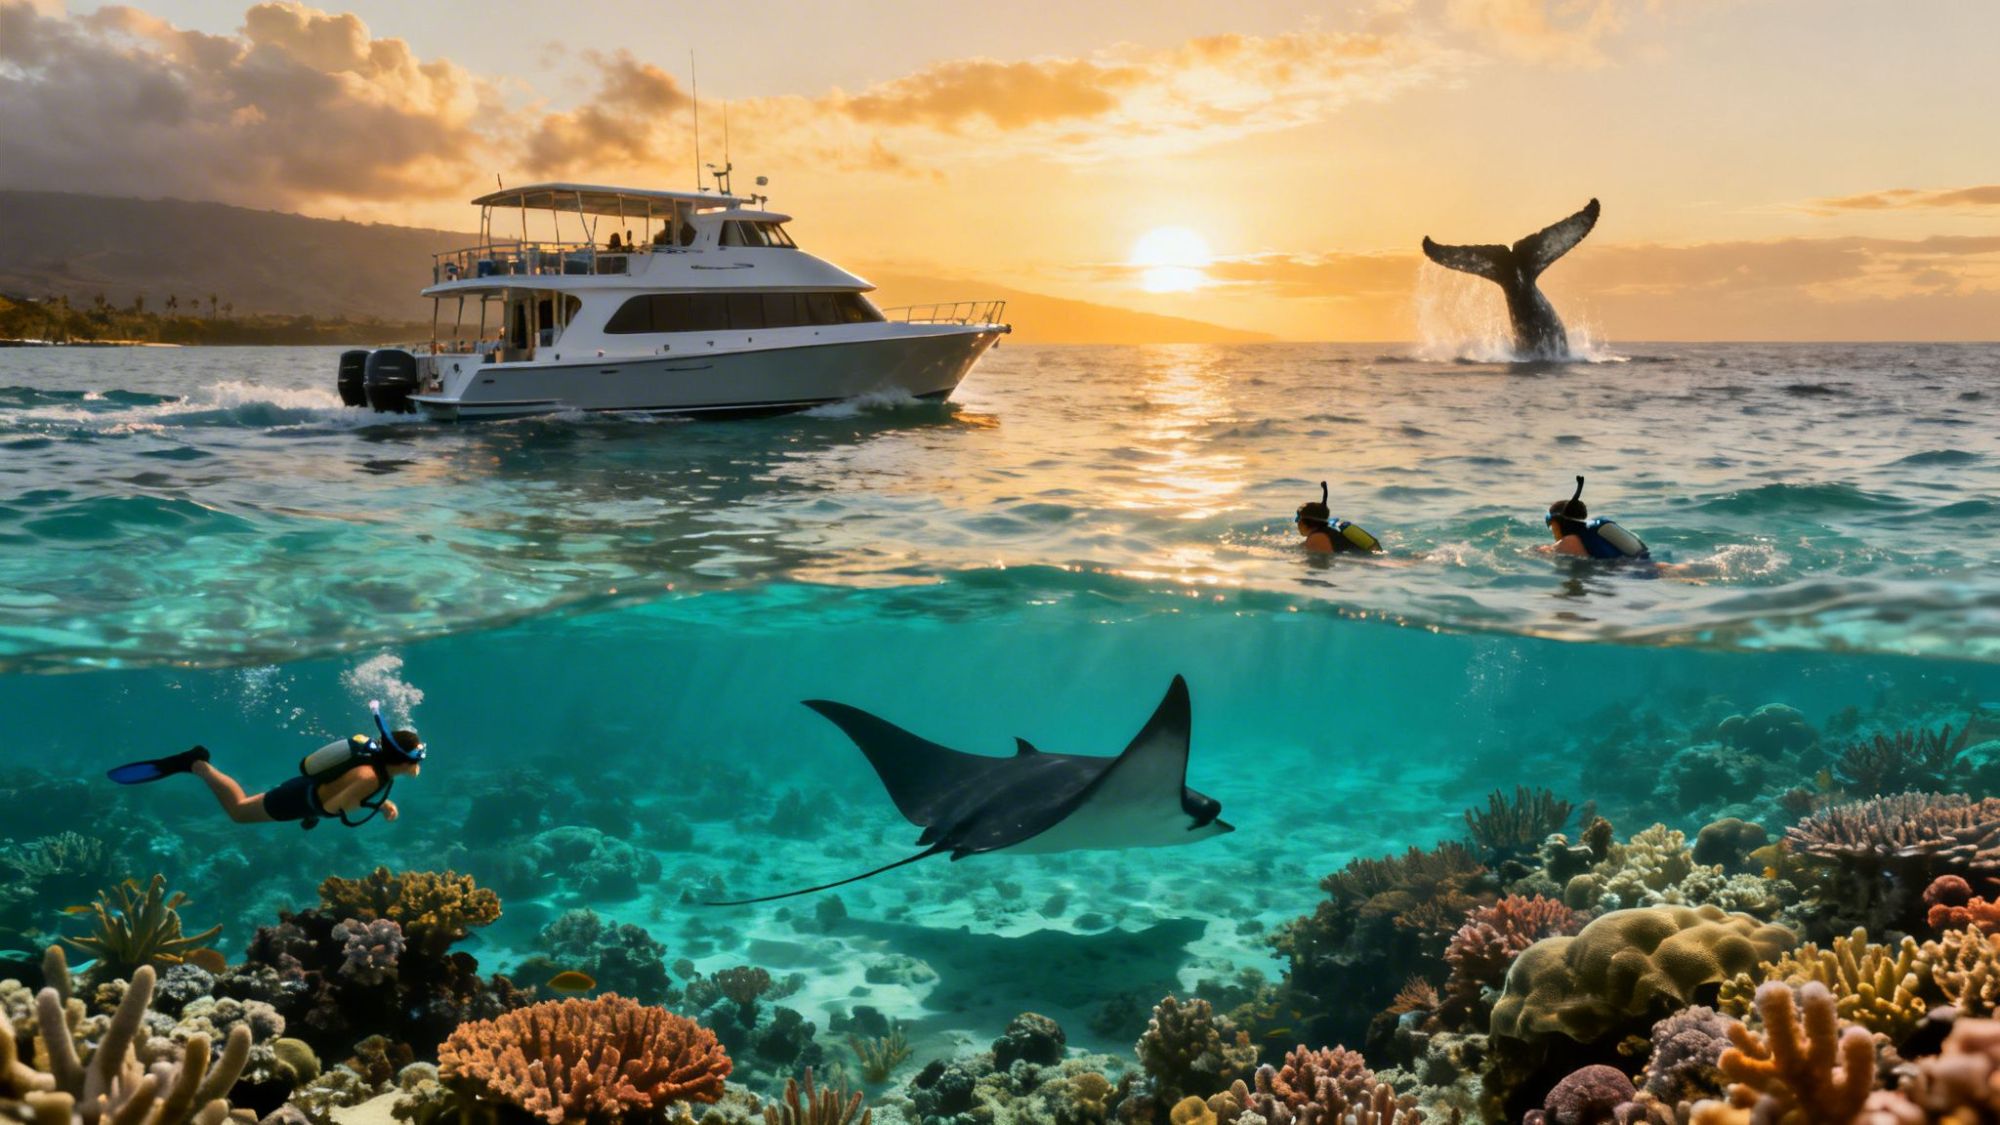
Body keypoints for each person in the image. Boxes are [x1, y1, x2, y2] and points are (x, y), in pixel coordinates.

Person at [107, 703, 425, 830]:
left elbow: (338, 792)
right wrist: (377, 804)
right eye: (416, 759)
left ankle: (197, 764)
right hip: (299, 800)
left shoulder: (373, 768)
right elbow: (339, 804)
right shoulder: (370, 777)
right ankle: (197, 765)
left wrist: (380, 803)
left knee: (245, 807)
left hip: (304, 795)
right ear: (401, 760)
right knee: (240, 811)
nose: (418, 765)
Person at [1545, 475, 1649, 559]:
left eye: (1552, 527)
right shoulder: (1594, 529)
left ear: (1558, 524)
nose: (1553, 533)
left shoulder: (1569, 541)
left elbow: (1539, 554)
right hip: (1644, 565)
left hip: (1623, 573)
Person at [1294, 481, 1383, 554]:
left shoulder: (1317, 538)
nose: (1296, 523)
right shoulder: (1328, 533)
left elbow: (1322, 565)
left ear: (1303, 522)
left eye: (1297, 519)